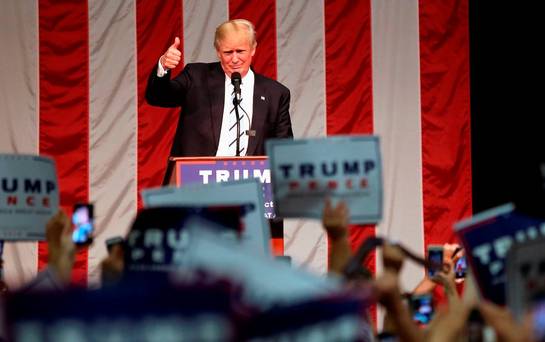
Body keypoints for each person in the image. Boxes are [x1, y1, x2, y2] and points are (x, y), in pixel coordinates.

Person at [146, 19, 294, 185]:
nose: (235, 59)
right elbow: (157, 96)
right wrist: (163, 67)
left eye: (241, 51)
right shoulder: (196, 77)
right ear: (218, 51)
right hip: (197, 183)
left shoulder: (276, 93)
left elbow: (283, 149)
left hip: (251, 187)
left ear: (253, 49)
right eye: (228, 52)